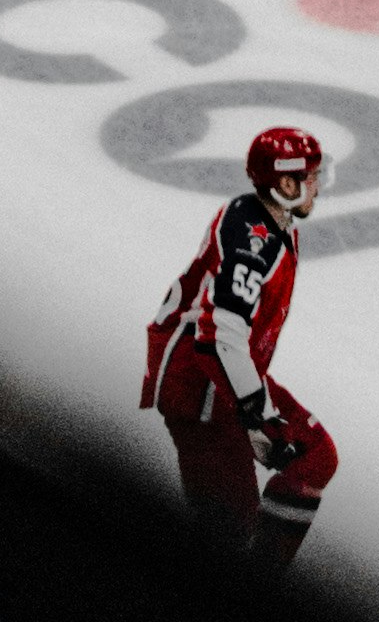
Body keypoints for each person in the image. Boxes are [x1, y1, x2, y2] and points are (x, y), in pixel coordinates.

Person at [141, 125, 337, 582]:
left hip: (223, 376)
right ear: (284, 185)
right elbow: (222, 334)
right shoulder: (257, 244)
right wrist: (257, 416)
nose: (316, 185)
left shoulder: (270, 222)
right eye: (308, 177)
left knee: (315, 457)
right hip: (202, 386)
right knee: (227, 529)